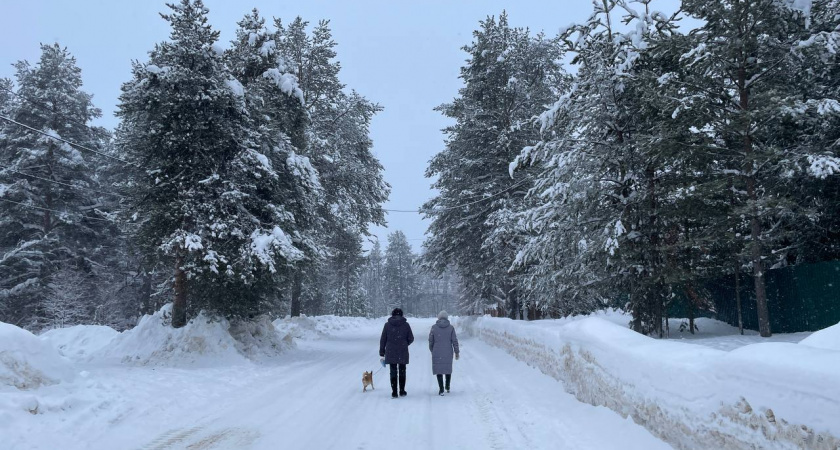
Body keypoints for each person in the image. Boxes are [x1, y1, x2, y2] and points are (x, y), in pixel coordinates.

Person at [379, 308, 414, 398]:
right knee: (402, 371)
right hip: (402, 350)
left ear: (392, 315)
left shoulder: (387, 325)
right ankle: (402, 391)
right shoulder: (406, 325)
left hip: (391, 351)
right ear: (401, 315)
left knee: (393, 371)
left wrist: (382, 352)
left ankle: (394, 392)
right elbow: (411, 338)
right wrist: (405, 343)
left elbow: (383, 339)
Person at [429, 310, 459, 396]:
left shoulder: (434, 327)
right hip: (448, 351)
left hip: (437, 351)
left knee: (439, 370)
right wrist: (456, 352)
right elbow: (454, 341)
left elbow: (431, 341)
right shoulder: (451, 328)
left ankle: (441, 388)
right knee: (447, 369)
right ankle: (448, 386)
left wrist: (432, 349)